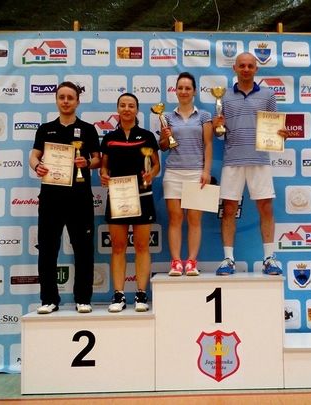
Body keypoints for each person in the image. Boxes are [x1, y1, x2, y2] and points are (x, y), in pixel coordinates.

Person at [213, 52, 290, 276]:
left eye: (250, 66)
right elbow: (219, 134)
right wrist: (218, 127)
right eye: (242, 66)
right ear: (234, 68)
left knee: (266, 208)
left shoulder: (268, 95)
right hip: (233, 160)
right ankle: (228, 259)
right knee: (229, 209)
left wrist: (281, 135)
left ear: (256, 69)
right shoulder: (223, 97)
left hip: (259, 159)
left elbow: (275, 127)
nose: (246, 69)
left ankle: (269, 258)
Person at [29, 81, 100, 314]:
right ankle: (49, 299)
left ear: (78, 101)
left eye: (70, 97)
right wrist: (37, 166)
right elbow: (34, 156)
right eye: (62, 97)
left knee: (83, 249)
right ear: (57, 100)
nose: (66, 101)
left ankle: (83, 298)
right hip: (51, 198)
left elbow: (98, 159)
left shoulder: (88, 129)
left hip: (80, 198)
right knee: (48, 249)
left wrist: (87, 162)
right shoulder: (45, 129)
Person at [100, 93, 160, 312]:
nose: (127, 109)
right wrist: (103, 175)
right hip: (118, 196)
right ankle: (119, 295)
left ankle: (141, 293)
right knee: (118, 247)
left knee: (142, 246)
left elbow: (156, 165)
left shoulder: (147, 136)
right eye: (123, 105)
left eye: (131, 105)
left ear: (137, 110)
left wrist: (151, 174)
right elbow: (104, 166)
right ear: (118, 109)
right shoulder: (109, 138)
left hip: (142, 196)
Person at [159, 72, 213, 277]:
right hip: (173, 172)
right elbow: (163, 146)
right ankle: (176, 262)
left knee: (194, 219)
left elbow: (208, 144)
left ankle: (191, 261)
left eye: (187, 88)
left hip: (196, 172)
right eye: (180, 88)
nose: (183, 91)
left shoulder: (204, 116)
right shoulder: (166, 117)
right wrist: (166, 137)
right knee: (175, 219)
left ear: (194, 91)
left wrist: (206, 171)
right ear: (175, 91)